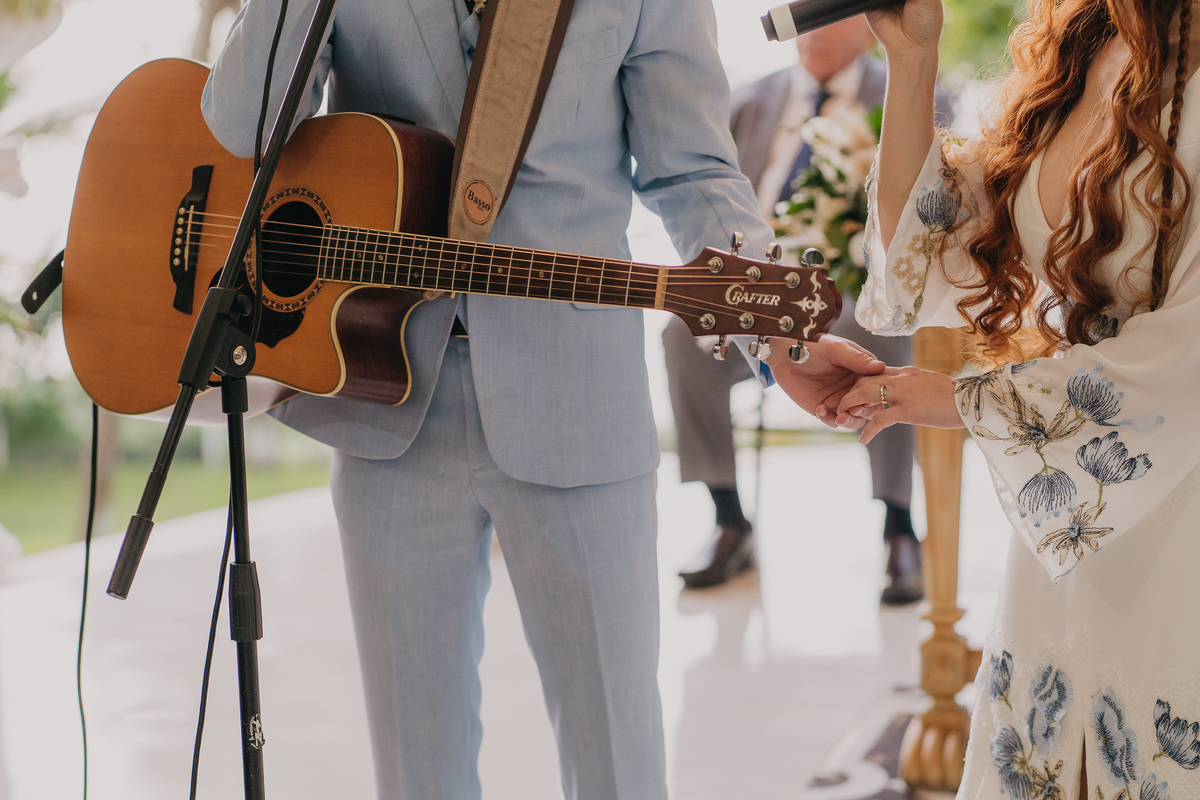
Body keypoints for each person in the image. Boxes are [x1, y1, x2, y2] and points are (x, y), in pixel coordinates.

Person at [201, 1, 885, 797]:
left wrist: (778, 340)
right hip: (378, 394)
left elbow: (692, 170)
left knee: (615, 763)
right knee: (415, 767)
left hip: (576, 400)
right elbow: (241, 125)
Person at [769, 0, 1200, 797]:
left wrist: (967, 402)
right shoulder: (1082, 48)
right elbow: (925, 257)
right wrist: (911, 60)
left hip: (1175, 511)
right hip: (1067, 523)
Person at [665, 16, 952, 604]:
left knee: (883, 331)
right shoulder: (749, 101)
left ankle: (898, 526)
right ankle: (728, 519)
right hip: (761, 285)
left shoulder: (907, 90)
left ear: (870, 24)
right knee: (680, 333)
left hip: (855, 291)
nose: (813, 29)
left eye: (828, 13)